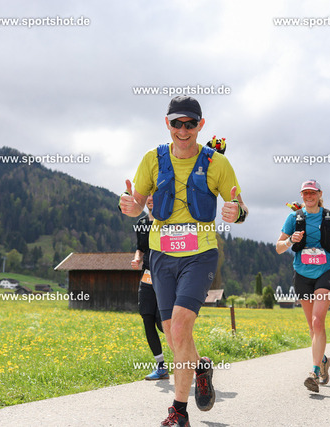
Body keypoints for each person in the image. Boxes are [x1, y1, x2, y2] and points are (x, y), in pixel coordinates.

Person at [120, 96, 248, 427]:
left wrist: (235, 212)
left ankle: (179, 411)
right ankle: (201, 367)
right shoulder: (152, 159)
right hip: (161, 256)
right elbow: (137, 203)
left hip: (199, 255)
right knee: (172, 334)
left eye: (190, 124)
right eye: (177, 123)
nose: (183, 129)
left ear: (200, 125)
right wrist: (131, 206)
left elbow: (240, 207)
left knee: (179, 327)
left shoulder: (217, 163)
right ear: (168, 124)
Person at [276, 179, 330, 393]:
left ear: (319, 194)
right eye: (305, 193)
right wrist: (291, 241)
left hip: (325, 272)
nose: (309, 196)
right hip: (302, 274)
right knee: (312, 326)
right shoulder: (294, 218)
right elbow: (279, 247)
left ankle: (314, 373)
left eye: (312, 192)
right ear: (301, 195)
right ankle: (323, 361)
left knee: (317, 322)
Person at [132, 195, 168, 380]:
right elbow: (140, 248)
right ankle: (161, 367)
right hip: (147, 276)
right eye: (148, 195)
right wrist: (137, 258)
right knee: (147, 318)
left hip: (166, 276)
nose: (151, 198)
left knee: (165, 323)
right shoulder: (141, 223)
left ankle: (190, 360)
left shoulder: (168, 221)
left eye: (155, 194)